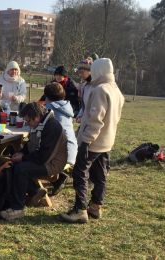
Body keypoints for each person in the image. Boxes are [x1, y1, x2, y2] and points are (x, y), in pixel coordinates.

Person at [60, 58, 125, 224]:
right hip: (107, 140)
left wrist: (86, 140)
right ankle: (96, 205)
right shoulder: (116, 89)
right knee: (101, 174)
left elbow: (96, 120)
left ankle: (80, 209)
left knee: (80, 173)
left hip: (93, 141)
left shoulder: (100, 90)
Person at [0, 102, 68, 220]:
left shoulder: (52, 127)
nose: (27, 124)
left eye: (28, 121)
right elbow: (31, 144)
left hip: (53, 164)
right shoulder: (40, 124)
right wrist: (22, 153)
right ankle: (34, 190)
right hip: (45, 159)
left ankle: (17, 208)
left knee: (21, 169)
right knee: (14, 165)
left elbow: (43, 157)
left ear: (36, 117)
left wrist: (23, 158)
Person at [44, 82, 78, 195]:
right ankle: (59, 177)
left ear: (48, 97)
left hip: (62, 153)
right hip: (72, 149)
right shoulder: (66, 106)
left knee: (35, 155)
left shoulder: (50, 109)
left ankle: (57, 178)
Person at [75, 58, 93, 123]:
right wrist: (79, 116)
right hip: (85, 123)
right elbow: (84, 106)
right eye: (79, 72)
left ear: (90, 71)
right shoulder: (85, 86)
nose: (80, 75)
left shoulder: (96, 87)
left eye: (82, 72)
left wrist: (83, 119)